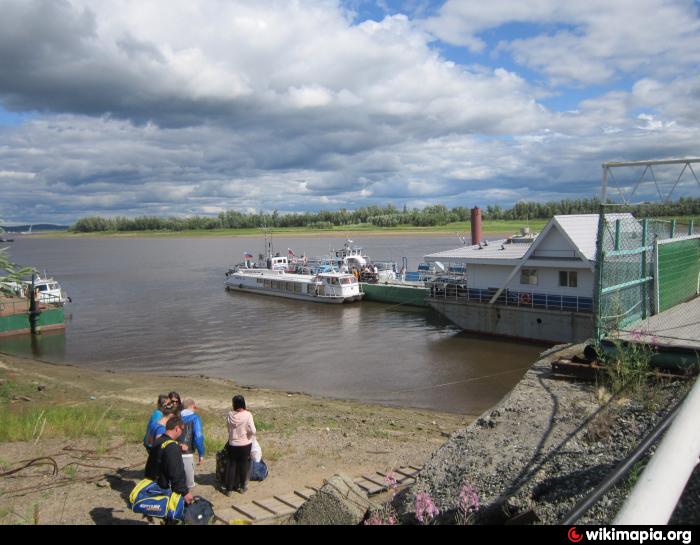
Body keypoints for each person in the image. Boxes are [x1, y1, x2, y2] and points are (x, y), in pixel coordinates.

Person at [130, 417, 194, 521]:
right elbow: (176, 473)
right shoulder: (172, 447)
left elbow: (153, 463)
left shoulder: (159, 441)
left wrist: (177, 447)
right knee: (173, 517)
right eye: (182, 429)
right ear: (177, 428)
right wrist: (185, 492)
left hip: (154, 486)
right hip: (164, 489)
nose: (182, 432)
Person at [224, 395, 256, 496]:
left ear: (234, 404)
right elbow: (253, 430)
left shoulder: (230, 415)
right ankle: (242, 487)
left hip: (232, 443)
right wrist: (248, 435)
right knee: (243, 465)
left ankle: (229, 489)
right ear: (243, 403)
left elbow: (229, 429)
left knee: (232, 466)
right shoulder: (248, 415)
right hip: (245, 444)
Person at [179, 398, 205, 489]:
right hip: (187, 453)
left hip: (174, 452)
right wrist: (201, 454)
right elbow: (198, 437)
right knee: (188, 485)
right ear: (192, 406)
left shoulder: (175, 417)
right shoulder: (195, 418)